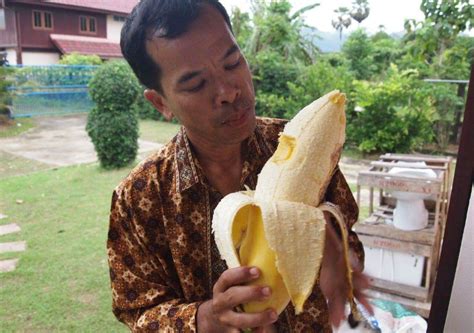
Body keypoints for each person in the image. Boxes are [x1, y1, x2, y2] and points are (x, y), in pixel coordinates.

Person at [107, 0, 370, 332]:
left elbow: (351, 243)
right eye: (196, 84)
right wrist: (205, 318)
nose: (229, 92)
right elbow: (136, 308)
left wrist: (337, 251)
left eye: (232, 62)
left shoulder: (299, 145)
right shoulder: (138, 198)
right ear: (161, 102)